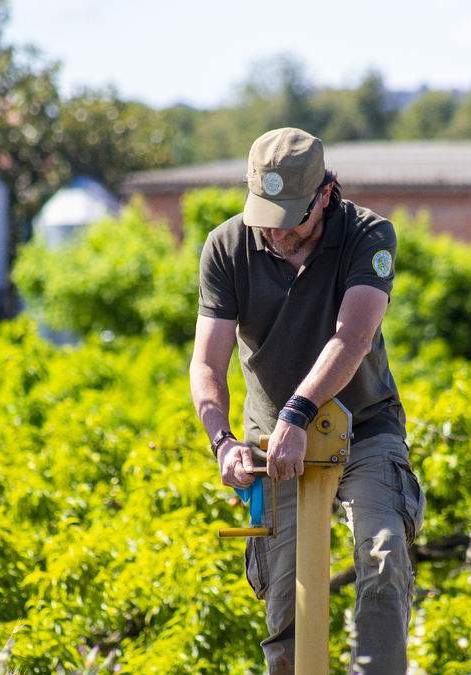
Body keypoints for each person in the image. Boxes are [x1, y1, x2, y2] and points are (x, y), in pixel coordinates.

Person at [189, 127, 425, 675]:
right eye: (264, 216)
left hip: (364, 426)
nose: (275, 232)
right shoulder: (226, 246)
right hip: (271, 439)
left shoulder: (368, 234)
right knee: (286, 604)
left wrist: (300, 413)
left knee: (384, 554)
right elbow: (207, 364)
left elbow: (354, 337)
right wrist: (222, 441)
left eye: (289, 217)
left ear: (325, 195)